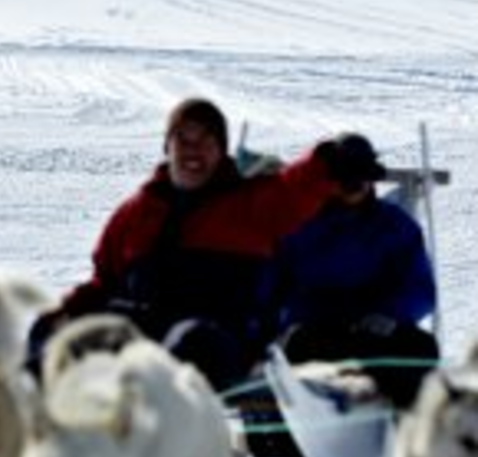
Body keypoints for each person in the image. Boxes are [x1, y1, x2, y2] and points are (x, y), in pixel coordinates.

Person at [26, 97, 367, 393]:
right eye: (183, 139)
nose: (193, 150)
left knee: (189, 346)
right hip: (141, 328)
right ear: (167, 146)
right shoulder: (134, 214)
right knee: (61, 343)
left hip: (217, 337)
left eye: (205, 140)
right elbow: (105, 281)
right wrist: (65, 314)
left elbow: (295, 187)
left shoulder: (250, 205)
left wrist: (331, 160)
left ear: (221, 151)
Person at [272, 133, 439, 410]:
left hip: (376, 329)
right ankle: (304, 425)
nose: (355, 186)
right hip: (314, 331)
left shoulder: (396, 226)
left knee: (420, 349)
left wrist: (391, 314)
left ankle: (406, 424)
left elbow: (420, 288)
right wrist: (294, 316)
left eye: (362, 177)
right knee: (295, 349)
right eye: (346, 177)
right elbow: (273, 283)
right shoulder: (299, 223)